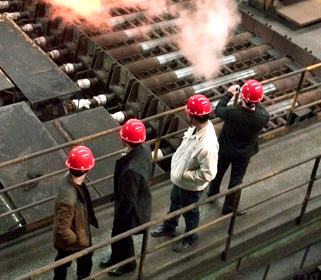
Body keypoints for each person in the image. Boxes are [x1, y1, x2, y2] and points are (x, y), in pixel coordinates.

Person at [150, 94, 219, 252]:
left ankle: (190, 238)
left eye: (188, 113)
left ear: (193, 117)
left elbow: (209, 174)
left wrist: (185, 175)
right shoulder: (195, 128)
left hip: (191, 187)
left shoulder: (207, 146)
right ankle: (169, 226)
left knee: (190, 212)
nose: (186, 114)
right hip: (180, 180)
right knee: (175, 202)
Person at [208, 79, 270, 215]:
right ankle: (229, 208)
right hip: (243, 154)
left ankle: (212, 194)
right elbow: (259, 107)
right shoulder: (263, 118)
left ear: (242, 97)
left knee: (218, 170)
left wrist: (229, 93)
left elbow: (218, 109)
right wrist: (253, 97)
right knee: (236, 179)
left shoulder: (232, 113)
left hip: (225, 149)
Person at [100, 118, 152, 276]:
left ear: (124, 140)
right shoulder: (145, 148)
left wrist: (119, 215)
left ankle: (128, 264)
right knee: (118, 233)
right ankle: (116, 256)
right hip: (138, 198)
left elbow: (128, 200)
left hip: (131, 209)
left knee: (122, 234)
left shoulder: (131, 170)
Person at [52, 145, 98, 280]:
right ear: (87, 169)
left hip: (74, 230)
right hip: (74, 238)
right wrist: (78, 239)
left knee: (62, 260)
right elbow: (62, 229)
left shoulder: (67, 178)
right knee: (84, 259)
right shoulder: (69, 199)